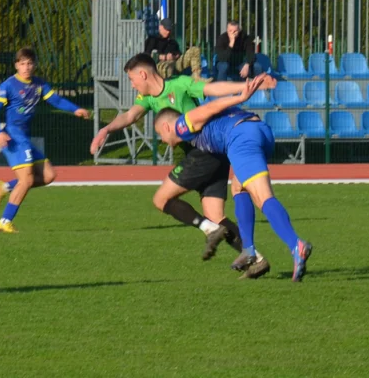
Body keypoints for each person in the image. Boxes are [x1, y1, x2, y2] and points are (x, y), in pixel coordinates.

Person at [89, 53, 277, 266]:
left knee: (161, 200)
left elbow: (212, 89)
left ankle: (209, 230)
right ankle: (256, 259)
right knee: (215, 216)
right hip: (213, 154)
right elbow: (130, 116)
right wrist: (106, 129)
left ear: (142, 74)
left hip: (203, 151)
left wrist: (245, 86)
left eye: (132, 80)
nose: (132, 86)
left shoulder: (180, 84)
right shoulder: (148, 99)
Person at [154, 74, 313, 282]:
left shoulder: (181, 125)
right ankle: (248, 249)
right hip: (257, 130)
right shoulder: (192, 130)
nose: (164, 140)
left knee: (263, 197)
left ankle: (296, 245)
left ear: (166, 127)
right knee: (239, 188)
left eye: (160, 135)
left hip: (241, 137)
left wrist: (240, 96)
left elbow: (210, 107)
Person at [0, 48, 91, 233]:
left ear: (34, 65)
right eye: (22, 64)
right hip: (13, 136)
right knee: (26, 180)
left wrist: (75, 109)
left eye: (29, 63)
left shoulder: (39, 84)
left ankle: (5, 187)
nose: (26, 67)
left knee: (49, 175)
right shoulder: (9, 85)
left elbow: (56, 101)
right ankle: (4, 221)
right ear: (16, 65)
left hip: (24, 138)